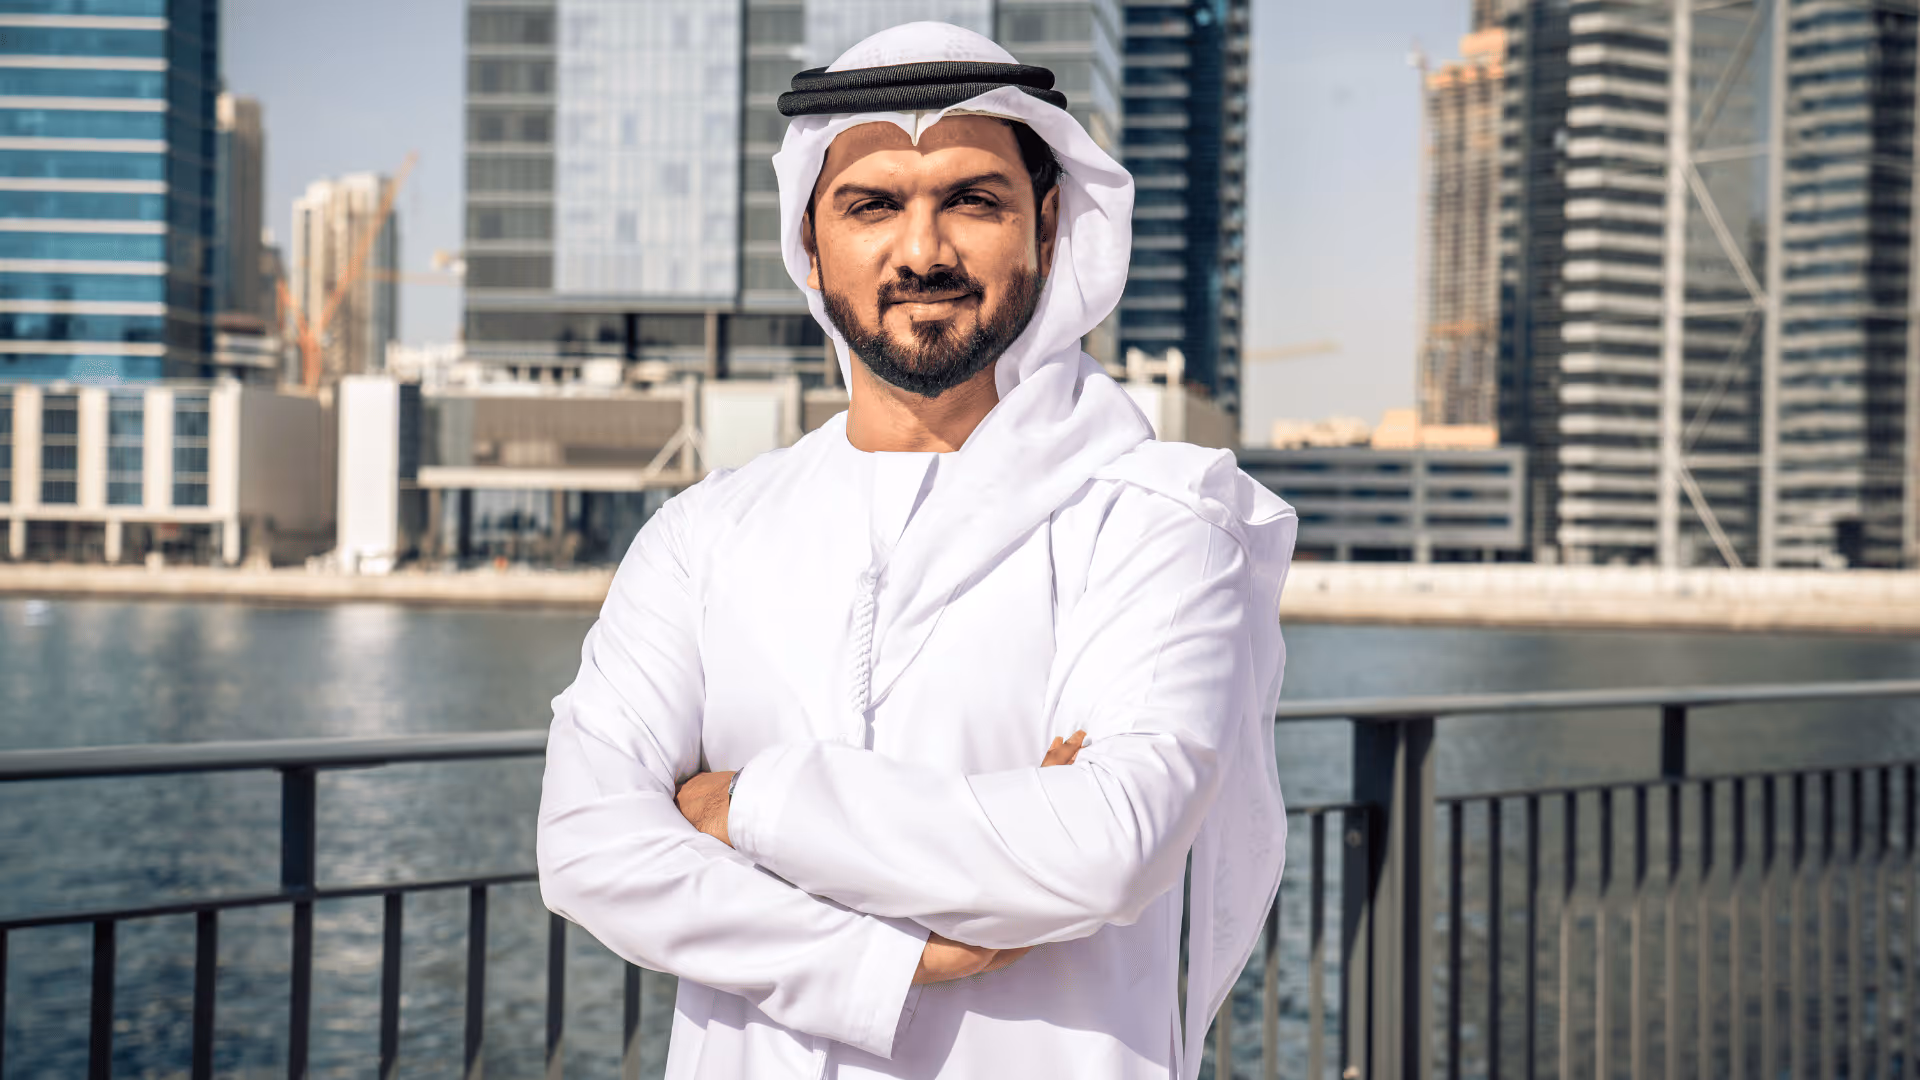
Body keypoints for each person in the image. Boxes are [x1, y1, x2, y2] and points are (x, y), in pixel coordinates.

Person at [537, 22, 1297, 1080]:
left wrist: (735, 806)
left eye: (973, 201)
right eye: (873, 205)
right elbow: (586, 845)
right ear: (811, 241)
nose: (924, 252)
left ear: (1047, 226)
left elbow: (1108, 845)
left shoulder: (1158, 520)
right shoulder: (704, 534)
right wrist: (880, 960)